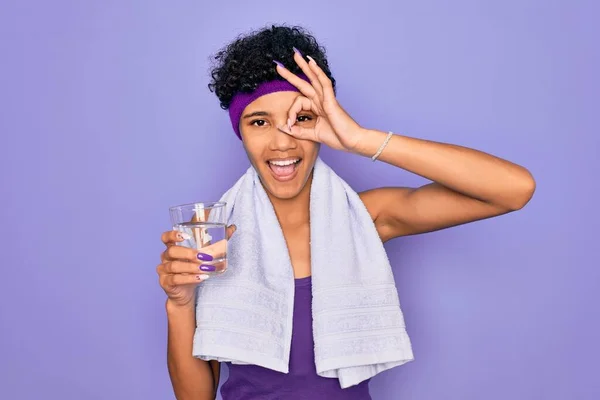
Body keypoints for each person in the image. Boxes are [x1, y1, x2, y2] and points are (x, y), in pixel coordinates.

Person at [156, 25, 535, 400]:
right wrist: (180, 302)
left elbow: (513, 190)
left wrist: (360, 139)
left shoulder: (366, 218)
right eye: (259, 122)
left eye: (300, 118)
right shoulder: (211, 241)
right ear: (240, 131)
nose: (283, 141)